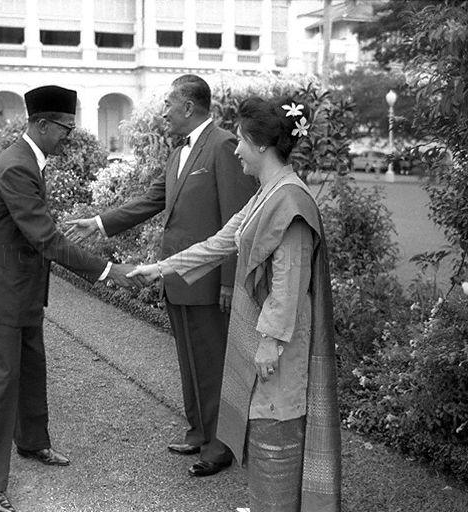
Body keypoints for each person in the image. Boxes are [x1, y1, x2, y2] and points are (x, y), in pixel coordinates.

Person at [128, 96, 341, 512]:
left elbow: (290, 281)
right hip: (267, 341)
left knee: (274, 429)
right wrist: (160, 268)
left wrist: (270, 343)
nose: (236, 149)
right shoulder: (269, 192)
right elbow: (222, 241)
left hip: (280, 348)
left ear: (261, 145)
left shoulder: (290, 201)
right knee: (260, 425)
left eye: (241, 141)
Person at [0, 85, 139, 512]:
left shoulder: (25, 160)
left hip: (19, 293)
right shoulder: (18, 166)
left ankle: (33, 442)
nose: (69, 137)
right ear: (40, 124)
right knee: (1, 389)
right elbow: (44, 239)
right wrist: (110, 270)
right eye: (64, 128)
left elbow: (33, 230)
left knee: (32, 373)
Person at [66, 74, 257, 477]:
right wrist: (98, 223)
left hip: (209, 280)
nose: (164, 110)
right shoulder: (178, 152)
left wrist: (228, 280)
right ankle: (198, 429)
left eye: (170, 102)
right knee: (189, 361)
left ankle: (219, 444)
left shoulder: (223, 145)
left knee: (212, 363)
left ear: (189, 107)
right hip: (177, 278)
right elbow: (152, 200)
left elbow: (237, 221)